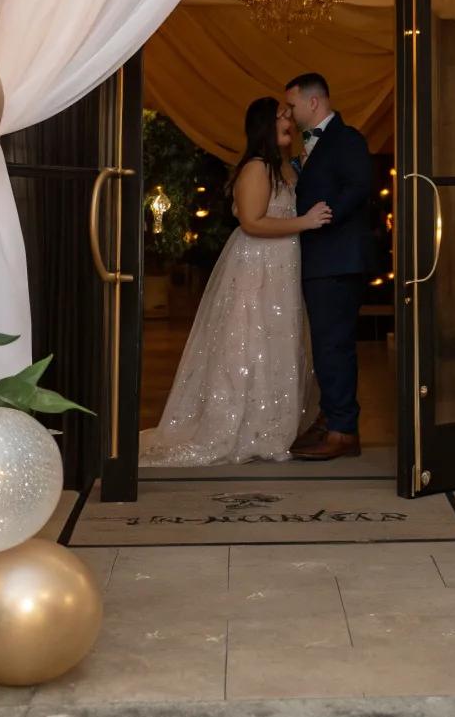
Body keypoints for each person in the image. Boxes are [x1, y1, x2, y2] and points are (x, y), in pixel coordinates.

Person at [139, 97, 331, 467]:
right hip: (258, 265)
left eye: (289, 115)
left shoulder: (286, 167)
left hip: (283, 265)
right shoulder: (256, 168)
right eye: (282, 116)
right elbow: (252, 222)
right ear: (264, 125)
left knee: (277, 340)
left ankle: (272, 425)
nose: (290, 121)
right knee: (249, 340)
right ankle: (243, 426)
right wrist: (305, 222)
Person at [285, 72, 375, 461]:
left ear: (313, 102)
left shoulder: (347, 139)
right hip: (321, 260)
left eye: (292, 105)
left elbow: (359, 186)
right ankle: (331, 418)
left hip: (338, 258)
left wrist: (323, 217)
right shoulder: (306, 145)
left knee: (333, 346)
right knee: (325, 346)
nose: (289, 113)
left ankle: (343, 432)